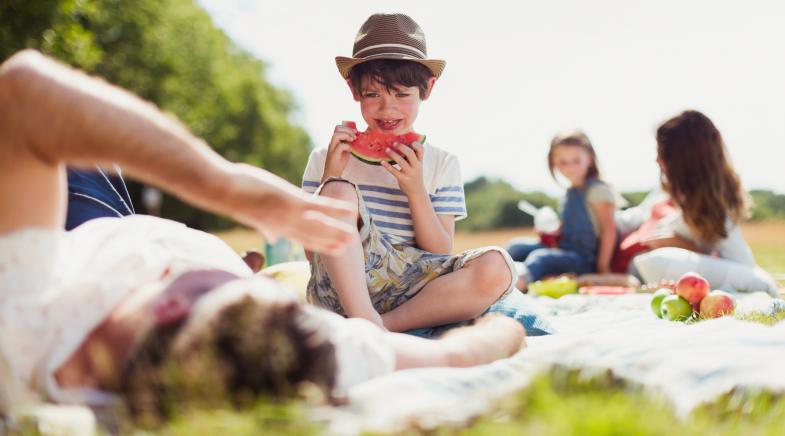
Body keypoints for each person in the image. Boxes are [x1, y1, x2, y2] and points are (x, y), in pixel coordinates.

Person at [0, 50, 526, 422]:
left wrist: (232, 188)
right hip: (369, 294)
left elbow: (21, 89)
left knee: (78, 140)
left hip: (89, 235)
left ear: (168, 296)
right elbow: (473, 350)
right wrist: (504, 321)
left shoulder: (23, 318)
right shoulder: (288, 351)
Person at [302, 13, 517, 332]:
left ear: (427, 88)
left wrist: (416, 190)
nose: (387, 109)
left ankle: (379, 327)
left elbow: (439, 252)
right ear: (353, 89)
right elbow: (311, 253)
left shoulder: (443, 163)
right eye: (373, 94)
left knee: (499, 265)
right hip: (343, 290)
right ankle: (362, 316)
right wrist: (332, 177)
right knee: (337, 192)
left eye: (402, 94)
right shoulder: (325, 157)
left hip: (413, 292)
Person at [615, 110, 778, 293]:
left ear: (683, 159)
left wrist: (683, 245)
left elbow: (742, 265)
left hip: (652, 263)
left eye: (661, 152)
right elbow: (630, 219)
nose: (657, 159)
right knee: (651, 261)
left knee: (657, 261)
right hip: (630, 260)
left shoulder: (718, 208)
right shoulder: (666, 190)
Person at [506, 130, 620, 291]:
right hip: (563, 251)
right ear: (553, 163)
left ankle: (513, 288)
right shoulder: (568, 193)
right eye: (563, 162)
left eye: (576, 161)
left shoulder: (598, 190)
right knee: (516, 247)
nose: (569, 167)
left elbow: (609, 230)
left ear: (589, 159)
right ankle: (493, 275)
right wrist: (552, 234)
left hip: (585, 260)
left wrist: (602, 268)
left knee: (540, 258)